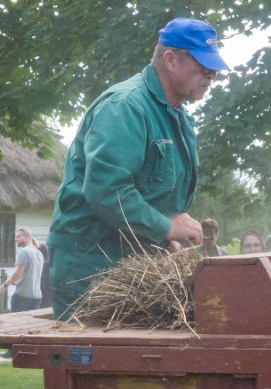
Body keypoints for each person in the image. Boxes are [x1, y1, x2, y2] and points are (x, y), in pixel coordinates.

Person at [47, 18, 228, 319]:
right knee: (98, 362)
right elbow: (109, 192)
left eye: (214, 67)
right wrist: (166, 227)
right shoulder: (126, 106)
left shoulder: (177, 117)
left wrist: (163, 235)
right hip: (91, 262)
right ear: (170, 60)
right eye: (203, 65)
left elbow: (150, 194)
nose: (213, 74)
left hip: (134, 259)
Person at [0, 227, 45, 312]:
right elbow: (30, 274)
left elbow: (18, 273)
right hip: (37, 297)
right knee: (32, 325)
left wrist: (5, 285)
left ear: (27, 236)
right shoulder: (39, 254)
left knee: (16, 324)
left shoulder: (24, 251)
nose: (15, 239)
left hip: (22, 297)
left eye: (18, 236)